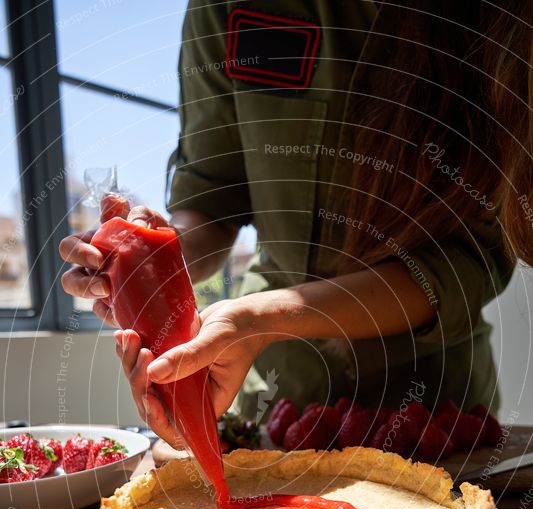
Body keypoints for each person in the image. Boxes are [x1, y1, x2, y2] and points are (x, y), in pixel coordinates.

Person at [60, 0, 532, 442]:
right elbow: (212, 196)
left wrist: (262, 320)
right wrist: (151, 255)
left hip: (428, 409)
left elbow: (465, 262)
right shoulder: (223, 5)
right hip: (275, 392)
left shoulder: (490, 13)